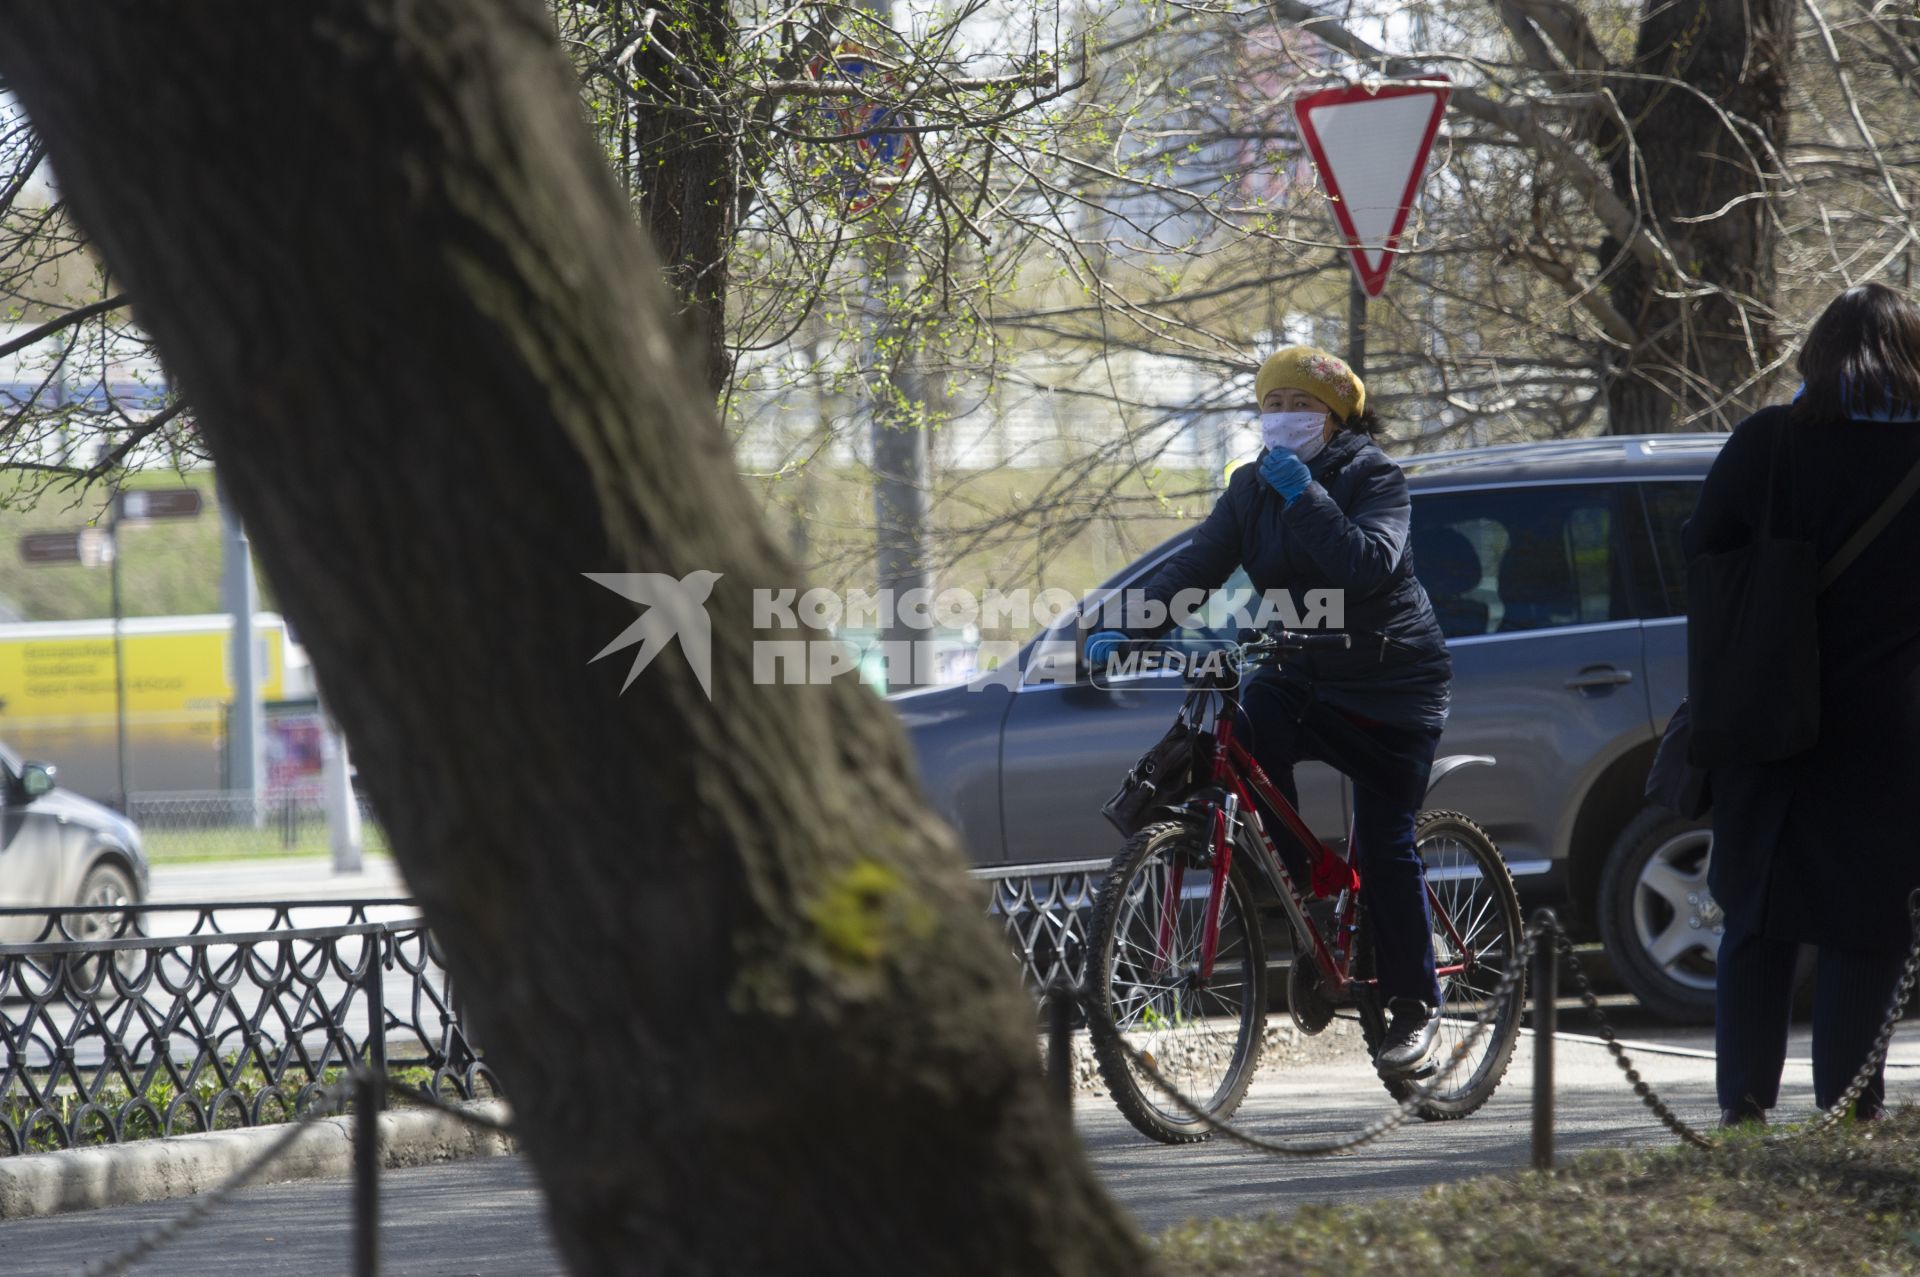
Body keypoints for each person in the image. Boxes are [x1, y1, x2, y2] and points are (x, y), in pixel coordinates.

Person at [1087, 346, 1453, 1078]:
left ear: (1335, 417)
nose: (1283, 418)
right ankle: (1310, 895)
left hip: (1392, 681)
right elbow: (1198, 566)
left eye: (1301, 406)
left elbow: (1366, 564)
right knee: (1244, 732)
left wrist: (1306, 497)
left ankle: (1418, 1007)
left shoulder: (1372, 476)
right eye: (1273, 405)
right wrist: (1127, 625)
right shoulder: (1250, 488)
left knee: (1383, 844)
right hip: (1303, 669)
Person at [1684, 282, 1920, 1126]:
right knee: (1866, 931)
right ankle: (1849, 1120)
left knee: (1757, 921)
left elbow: (1704, 555)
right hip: (1891, 734)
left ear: (1816, 356)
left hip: (1768, 718)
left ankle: (1744, 1120)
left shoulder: (1768, 445)